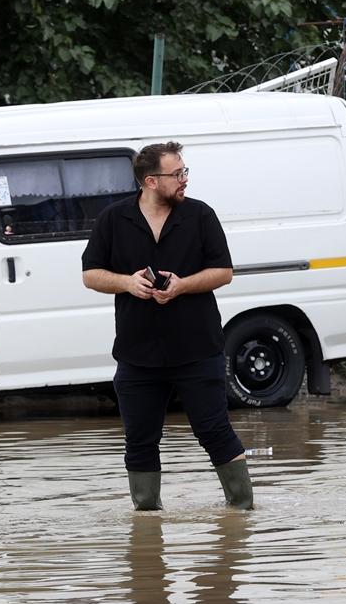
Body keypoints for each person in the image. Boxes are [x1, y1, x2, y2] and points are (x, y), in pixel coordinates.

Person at [81, 141, 253, 511]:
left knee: (214, 432)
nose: (184, 180)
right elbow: (90, 275)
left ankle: (242, 514)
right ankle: (147, 525)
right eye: (177, 174)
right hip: (137, 353)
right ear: (150, 181)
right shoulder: (114, 218)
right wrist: (128, 283)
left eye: (184, 172)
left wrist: (181, 285)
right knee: (140, 440)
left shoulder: (200, 215)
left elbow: (224, 272)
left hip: (197, 348)